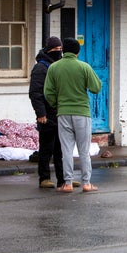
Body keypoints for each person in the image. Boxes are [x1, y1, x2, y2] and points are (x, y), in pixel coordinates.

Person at [44, 37, 102, 192]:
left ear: (63, 50)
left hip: (63, 113)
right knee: (84, 151)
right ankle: (86, 183)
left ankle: (68, 183)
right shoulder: (84, 67)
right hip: (82, 113)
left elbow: (47, 92)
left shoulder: (54, 68)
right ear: (78, 52)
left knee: (66, 151)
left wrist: (57, 104)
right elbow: (96, 87)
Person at [29, 36, 80, 189]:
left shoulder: (58, 66)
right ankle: (44, 178)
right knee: (46, 148)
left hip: (60, 113)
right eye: (56, 50)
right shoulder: (40, 68)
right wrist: (41, 114)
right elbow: (35, 93)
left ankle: (64, 179)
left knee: (62, 149)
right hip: (46, 115)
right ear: (49, 50)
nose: (59, 53)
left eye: (61, 50)